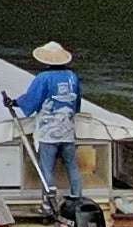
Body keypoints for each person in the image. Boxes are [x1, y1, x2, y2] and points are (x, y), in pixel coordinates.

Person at [8, 41, 83, 205]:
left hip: (48, 131)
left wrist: (14, 102)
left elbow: (32, 99)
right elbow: (77, 103)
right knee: (72, 165)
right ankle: (77, 196)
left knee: (46, 167)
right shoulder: (72, 77)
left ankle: (48, 202)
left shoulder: (44, 78)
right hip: (68, 129)